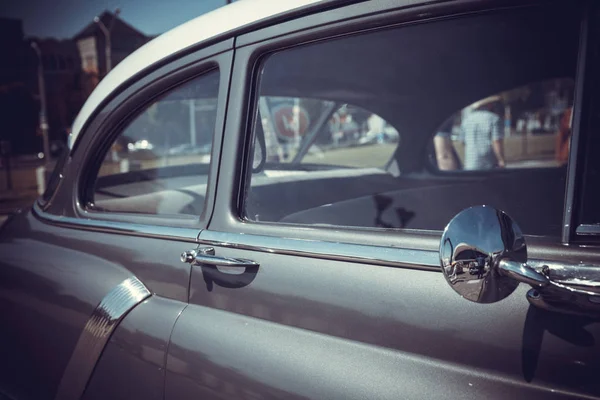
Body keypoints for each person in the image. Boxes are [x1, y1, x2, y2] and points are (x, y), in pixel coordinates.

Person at [460, 96, 505, 170]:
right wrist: (501, 160)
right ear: (489, 105)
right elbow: (496, 142)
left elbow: (462, 141)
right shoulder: (494, 119)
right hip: (489, 163)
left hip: (470, 162)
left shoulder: (466, 120)